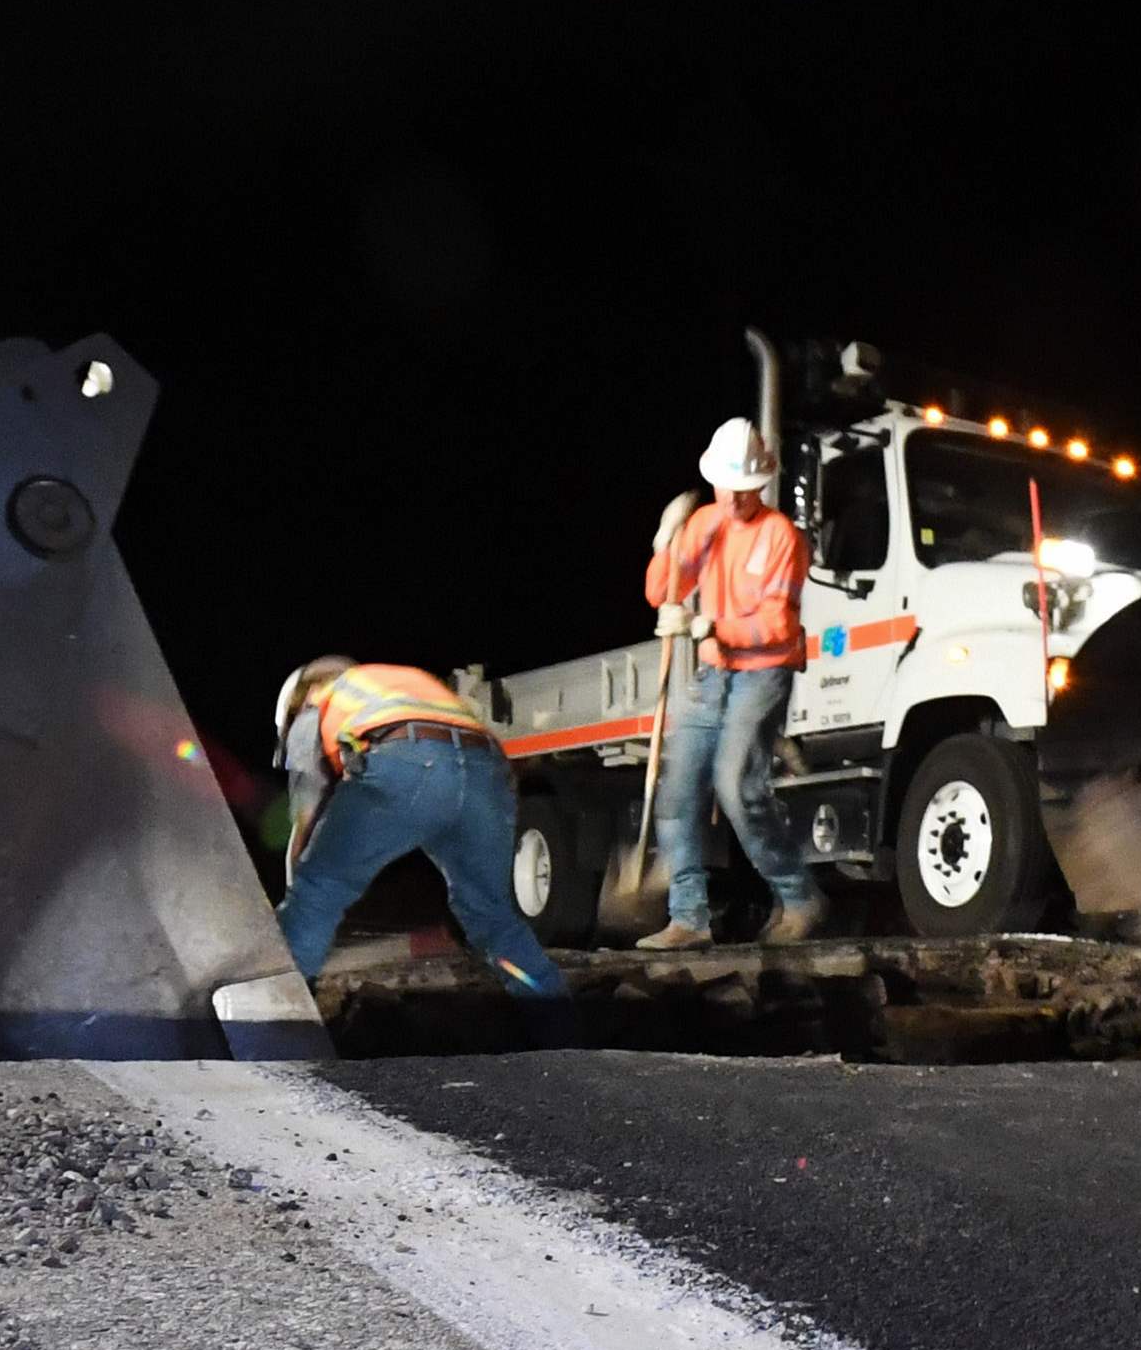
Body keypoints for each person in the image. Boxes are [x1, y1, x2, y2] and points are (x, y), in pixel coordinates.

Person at [266, 656, 573, 1035]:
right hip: (487, 774)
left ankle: (274, 1026)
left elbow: (306, 813)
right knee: (492, 916)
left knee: (319, 889)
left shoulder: (320, 700)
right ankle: (559, 1025)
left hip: (406, 759)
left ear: (300, 698)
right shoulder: (397, 681)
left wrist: (299, 888)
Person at [638, 416, 819, 947]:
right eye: (728, 488)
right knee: (679, 790)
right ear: (715, 481)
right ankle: (687, 919)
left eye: (746, 489)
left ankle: (799, 895)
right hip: (713, 671)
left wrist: (707, 625)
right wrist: (665, 545)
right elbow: (659, 592)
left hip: (764, 671)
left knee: (736, 785)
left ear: (761, 483)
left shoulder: (780, 536)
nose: (736, 499)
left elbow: (778, 624)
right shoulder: (706, 525)